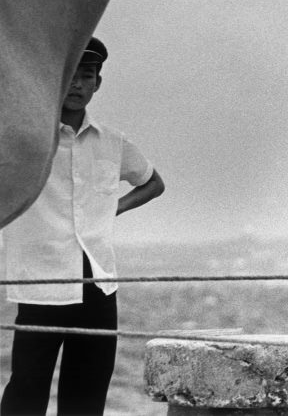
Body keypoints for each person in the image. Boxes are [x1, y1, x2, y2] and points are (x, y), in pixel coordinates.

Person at [1, 37, 165, 416]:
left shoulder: (112, 142)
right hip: (42, 282)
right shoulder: (24, 140)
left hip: (98, 283)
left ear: (97, 83)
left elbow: (153, 183)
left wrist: (112, 210)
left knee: (88, 391)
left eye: (86, 75)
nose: (77, 84)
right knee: (26, 388)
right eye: (70, 75)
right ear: (54, 80)